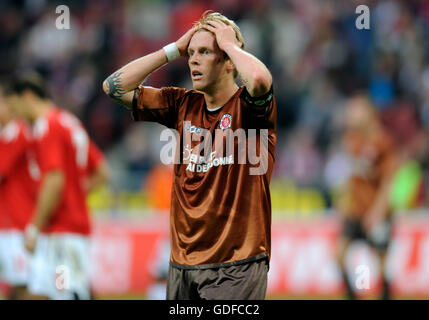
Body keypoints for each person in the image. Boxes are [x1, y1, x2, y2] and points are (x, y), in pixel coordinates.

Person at [103, 11, 276, 300]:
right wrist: (173, 49)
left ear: (229, 62)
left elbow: (259, 78)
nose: (193, 60)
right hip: (182, 266)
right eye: (191, 53)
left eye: (205, 52)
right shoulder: (181, 104)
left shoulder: (251, 110)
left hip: (236, 266)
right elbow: (113, 87)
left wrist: (230, 44)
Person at [6, 72, 110, 299]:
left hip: (62, 232)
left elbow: (54, 179)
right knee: (41, 293)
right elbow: (102, 171)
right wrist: (73, 196)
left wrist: (34, 225)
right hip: (63, 230)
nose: (16, 116)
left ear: (27, 96)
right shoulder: (68, 121)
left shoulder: (48, 126)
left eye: (15, 107)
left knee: (66, 294)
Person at [337, 94, 399, 300]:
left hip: (376, 211)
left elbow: (388, 181)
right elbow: (352, 177)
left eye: (356, 111)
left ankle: (386, 295)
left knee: (381, 261)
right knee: (338, 254)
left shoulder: (383, 142)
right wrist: (346, 200)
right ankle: (353, 296)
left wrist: (378, 212)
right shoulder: (352, 140)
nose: (351, 116)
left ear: (369, 113)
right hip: (356, 211)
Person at [0, 82, 37, 299]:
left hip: (18, 224)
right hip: (7, 223)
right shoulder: (8, 134)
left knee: (24, 285)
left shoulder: (18, 132)